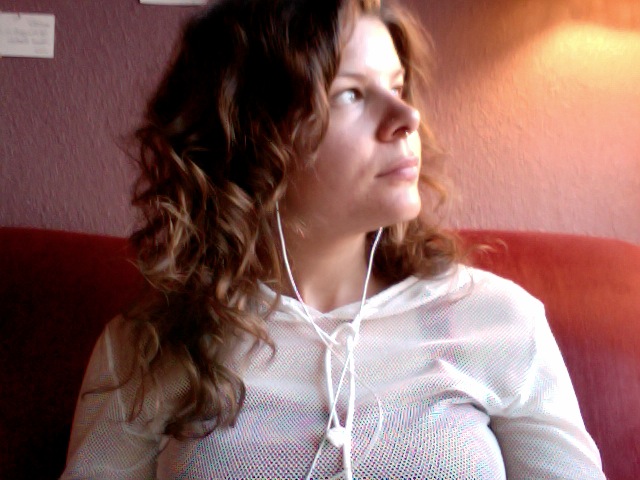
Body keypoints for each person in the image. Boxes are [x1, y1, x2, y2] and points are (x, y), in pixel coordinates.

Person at [61, 0, 606, 478]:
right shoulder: (147, 347)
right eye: (351, 94)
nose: (407, 117)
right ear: (251, 134)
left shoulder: (499, 321)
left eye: (397, 87)